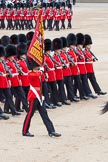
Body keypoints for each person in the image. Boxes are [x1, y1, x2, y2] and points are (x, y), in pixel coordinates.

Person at [22, 58, 61, 137]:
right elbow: (36, 75)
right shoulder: (31, 73)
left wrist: (44, 72)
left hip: (39, 96)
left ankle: (51, 131)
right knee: (30, 114)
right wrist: (41, 71)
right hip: (34, 95)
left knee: (44, 114)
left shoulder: (39, 73)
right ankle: (25, 131)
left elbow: (43, 79)